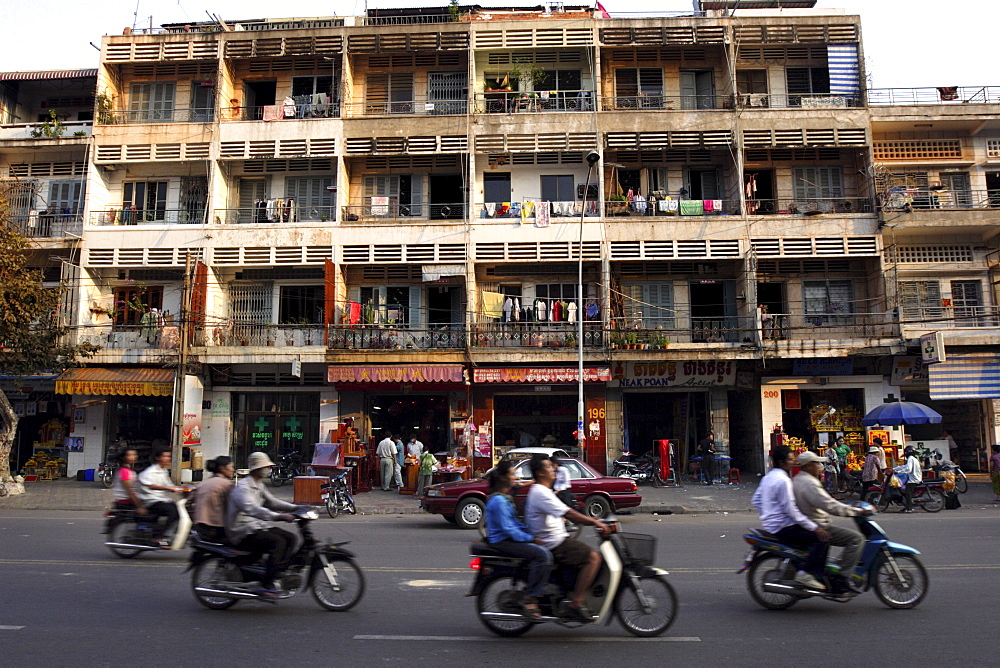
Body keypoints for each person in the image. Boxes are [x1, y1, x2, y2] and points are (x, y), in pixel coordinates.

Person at [524, 454, 608, 621]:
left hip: (558, 539)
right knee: (593, 557)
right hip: (555, 544)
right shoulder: (541, 492)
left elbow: (562, 512)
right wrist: (594, 522)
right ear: (540, 473)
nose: (553, 469)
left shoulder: (543, 491)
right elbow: (569, 513)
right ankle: (576, 601)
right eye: (549, 467)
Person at [751, 446, 831, 590]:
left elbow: (756, 500)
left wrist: (768, 515)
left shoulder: (768, 477)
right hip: (784, 527)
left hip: (772, 526)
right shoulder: (784, 481)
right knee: (823, 538)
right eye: (790, 459)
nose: (793, 461)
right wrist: (815, 528)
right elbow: (792, 511)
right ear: (782, 462)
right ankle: (806, 574)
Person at [226, 452, 305, 597]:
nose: (268, 469)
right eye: (266, 467)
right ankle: (267, 584)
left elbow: (272, 502)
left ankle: (276, 572)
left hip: (255, 526)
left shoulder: (259, 485)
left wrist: (295, 508)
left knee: (291, 538)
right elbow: (253, 510)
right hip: (242, 530)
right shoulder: (243, 488)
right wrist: (280, 516)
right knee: (278, 542)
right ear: (256, 469)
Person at [792, 451, 871, 594]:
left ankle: (833, 569)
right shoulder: (810, 484)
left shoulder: (798, 479)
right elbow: (830, 505)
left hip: (809, 523)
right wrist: (854, 511)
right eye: (817, 463)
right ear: (809, 466)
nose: (820, 466)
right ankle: (841, 578)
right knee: (856, 539)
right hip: (817, 525)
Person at [483, 460, 552, 620]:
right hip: (503, 541)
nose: (516, 477)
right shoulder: (499, 501)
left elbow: (515, 523)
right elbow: (509, 529)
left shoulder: (504, 495)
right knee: (543, 556)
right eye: (513, 474)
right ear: (503, 478)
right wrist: (531, 538)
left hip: (509, 537)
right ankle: (531, 598)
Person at [137, 446, 184, 546]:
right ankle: (158, 537)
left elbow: (169, 485)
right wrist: (169, 489)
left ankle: (162, 532)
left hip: (161, 499)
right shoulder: (149, 472)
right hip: (150, 500)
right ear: (158, 458)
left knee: (180, 509)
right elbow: (151, 485)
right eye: (165, 456)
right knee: (172, 512)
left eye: (169, 456)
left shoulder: (163, 471)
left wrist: (183, 489)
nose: (168, 459)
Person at [191, 455, 234, 543]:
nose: (233, 470)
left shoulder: (202, 483)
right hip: (218, 527)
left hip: (200, 526)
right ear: (222, 468)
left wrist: (196, 517)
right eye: (231, 466)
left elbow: (188, 504)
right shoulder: (226, 484)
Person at [110, 447, 146, 514]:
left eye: (134, 454)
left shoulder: (127, 470)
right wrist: (140, 507)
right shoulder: (124, 471)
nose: (134, 457)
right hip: (126, 501)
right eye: (130, 455)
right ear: (123, 457)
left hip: (128, 500)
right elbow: (130, 491)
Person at [893, 445, 922, 513]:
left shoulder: (911, 459)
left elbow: (908, 469)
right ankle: (906, 506)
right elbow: (905, 466)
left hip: (914, 479)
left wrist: (897, 472)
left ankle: (909, 508)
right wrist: (894, 469)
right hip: (914, 477)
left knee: (907, 492)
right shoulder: (913, 459)